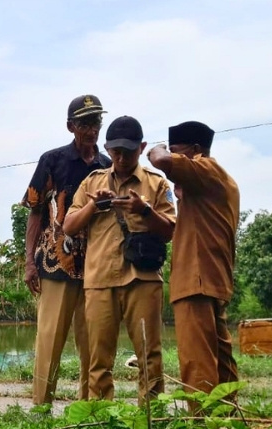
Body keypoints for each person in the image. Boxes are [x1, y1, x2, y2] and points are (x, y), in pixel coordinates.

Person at [63, 116, 176, 405]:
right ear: (107, 148)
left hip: (142, 279)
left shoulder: (157, 184)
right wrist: (93, 205)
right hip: (100, 279)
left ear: (142, 147)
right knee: (98, 358)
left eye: (128, 151)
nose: (121, 158)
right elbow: (69, 226)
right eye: (115, 151)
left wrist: (145, 210)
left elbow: (170, 231)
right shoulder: (92, 182)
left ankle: (151, 419)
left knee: (149, 356)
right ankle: (102, 419)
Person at [21, 95, 112, 408]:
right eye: (85, 123)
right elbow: (35, 211)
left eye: (96, 121)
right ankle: (41, 407)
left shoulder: (107, 166)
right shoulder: (53, 160)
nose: (91, 129)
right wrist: (29, 263)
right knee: (50, 339)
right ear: (71, 126)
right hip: (55, 263)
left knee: (93, 343)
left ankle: (89, 408)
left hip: (96, 266)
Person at [148, 121, 240, 412]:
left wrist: (160, 148)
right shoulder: (221, 181)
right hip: (214, 279)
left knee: (196, 359)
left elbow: (159, 159)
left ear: (196, 151)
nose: (174, 159)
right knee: (220, 357)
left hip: (196, 279)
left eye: (179, 152)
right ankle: (227, 420)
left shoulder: (205, 169)